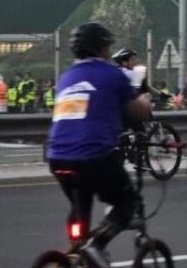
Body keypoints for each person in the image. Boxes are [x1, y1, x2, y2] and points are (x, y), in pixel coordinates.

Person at [47, 23, 153, 268]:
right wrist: (145, 101)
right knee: (127, 203)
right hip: (94, 156)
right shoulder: (112, 74)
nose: (109, 51)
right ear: (101, 48)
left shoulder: (66, 78)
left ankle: (76, 251)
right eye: (107, 46)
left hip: (57, 157)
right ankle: (96, 246)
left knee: (80, 199)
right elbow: (136, 112)